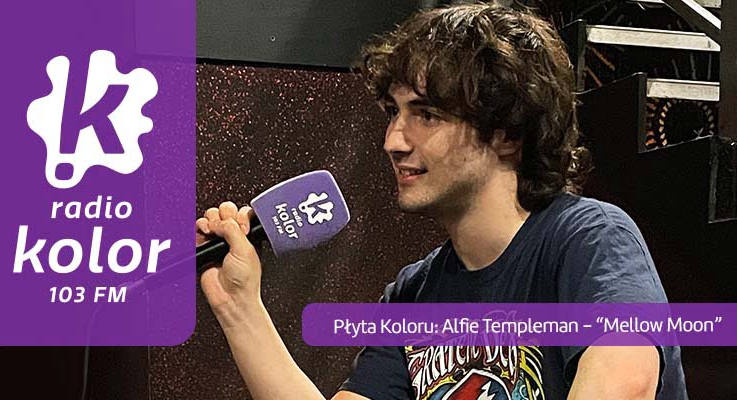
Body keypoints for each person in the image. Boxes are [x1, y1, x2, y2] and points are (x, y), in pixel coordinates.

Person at [195, 3, 687, 399]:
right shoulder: (416, 294)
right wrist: (240, 308)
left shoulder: (589, 240)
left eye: (426, 114)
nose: (393, 141)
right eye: (393, 113)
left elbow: (626, 382)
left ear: (507, 133)